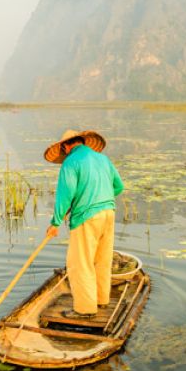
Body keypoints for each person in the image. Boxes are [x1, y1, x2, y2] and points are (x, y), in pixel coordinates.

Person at [44, 129, 124, 318]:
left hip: (87, 218)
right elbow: (119, 186)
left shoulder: (70, 162)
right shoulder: (103, 159)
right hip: (108, 213)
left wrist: (55, 222)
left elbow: (65, 195)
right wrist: (100, 199)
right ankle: (101, 300)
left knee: (81, 263)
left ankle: (85, 310)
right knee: (102, 259)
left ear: (65, 146)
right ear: (83, 142)